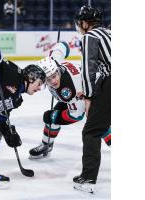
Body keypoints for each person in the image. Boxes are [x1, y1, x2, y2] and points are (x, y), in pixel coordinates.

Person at [0, 35, 46, 189]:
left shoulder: (17, 100)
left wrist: (9, 132)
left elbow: (0, 116)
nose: (39, 88)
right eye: (39, 83)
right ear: (30, 77)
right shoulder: (14, 72)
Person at [73, 5, 111, 193]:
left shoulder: (90, 37)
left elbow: (89, 70)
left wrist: (88, 96)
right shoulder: (110, 33)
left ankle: (88, 179)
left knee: (92, 131)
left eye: (80, 23)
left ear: (85, 23)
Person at [29, 42, 86, 159]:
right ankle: (46, 144)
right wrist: (60, 45)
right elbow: (63, 46)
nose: (53, 82)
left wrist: (56, 117)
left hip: (90, 97)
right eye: (48, 80)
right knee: (52, 118)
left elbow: (77, 115)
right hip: (77, 97)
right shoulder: (53, 61)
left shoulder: (68, 89)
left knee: (101, 127)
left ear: (58, 71)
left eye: (54, 76)